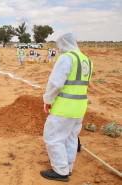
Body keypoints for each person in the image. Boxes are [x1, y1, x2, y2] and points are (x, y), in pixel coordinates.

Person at [41, 33, 93, 182]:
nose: (58, 48)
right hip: (80, 108)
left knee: (53, 138)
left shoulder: (66, 58)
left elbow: (55, 83)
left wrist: (48, 100)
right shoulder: (86, 60)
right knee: (71, 138)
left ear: (63, 43)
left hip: (64, 107)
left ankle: (60, 171)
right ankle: (68, 167)